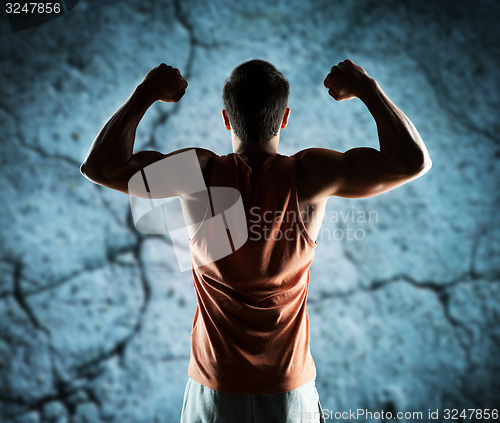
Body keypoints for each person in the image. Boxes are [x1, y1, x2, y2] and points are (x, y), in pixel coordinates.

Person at [80, 59, 431, 422]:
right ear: (284, 118)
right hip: (288, 390)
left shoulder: (197, 173)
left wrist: (146, 93)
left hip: (215, 389)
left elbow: (100, 167)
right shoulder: (311, 175)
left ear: (227, 119)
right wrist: (367, 88)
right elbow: (411, 162)